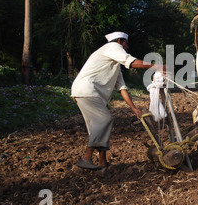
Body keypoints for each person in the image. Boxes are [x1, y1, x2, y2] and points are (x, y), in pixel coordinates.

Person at [71, 31, 166, 170]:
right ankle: (86, 158)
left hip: (86, 92)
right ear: (120, 41)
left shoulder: (113, 62)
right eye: (126, 44)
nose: (126, 47)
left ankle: (102, 163)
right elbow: (132, 62)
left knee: (99, 128)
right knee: (105, 120)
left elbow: (121, 88)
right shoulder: (112, 48)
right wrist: (156, 66)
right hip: (87, 91)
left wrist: (134, 109)